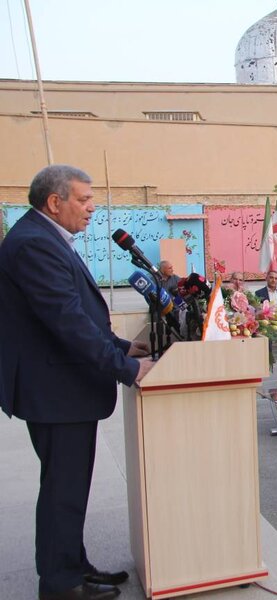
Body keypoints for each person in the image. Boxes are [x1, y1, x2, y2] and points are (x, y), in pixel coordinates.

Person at [0, 165, 154, 600]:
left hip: (61, 387)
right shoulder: (34, 244)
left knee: (67, 487)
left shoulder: (44, 237)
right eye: (84, 199)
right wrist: (125, 368)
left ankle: (73, 565)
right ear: (55, 202)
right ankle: (61, 583)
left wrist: (122, 346)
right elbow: (66, 321)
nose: (91, 208)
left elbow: (76, 314)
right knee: (62, 490)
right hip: (55, 390)